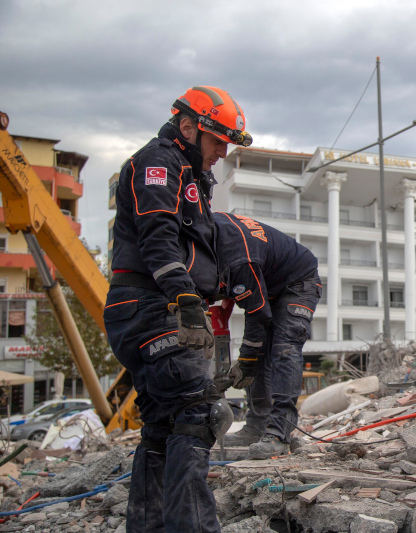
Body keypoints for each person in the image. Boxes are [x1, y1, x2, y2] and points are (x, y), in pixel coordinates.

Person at [104, 86, 252, 532]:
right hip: (149, 305)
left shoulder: (189, 174)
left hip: (152, 305)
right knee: (200, 412)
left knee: (163, 426)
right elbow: (157, 235)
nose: (221, 153)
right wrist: (183, 295)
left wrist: (210, 290)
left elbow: (193, 247)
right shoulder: (157, 162)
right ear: (188, 127)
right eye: (217, 142)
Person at [213, 211, 321, 458]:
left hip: (297, 282)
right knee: (259, 353)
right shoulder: (207, 230)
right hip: (267, 283)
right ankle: (256, 427)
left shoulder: (237, 258)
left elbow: (258, 313)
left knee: (285, 348)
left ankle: (279, 433)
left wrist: (245, 361)